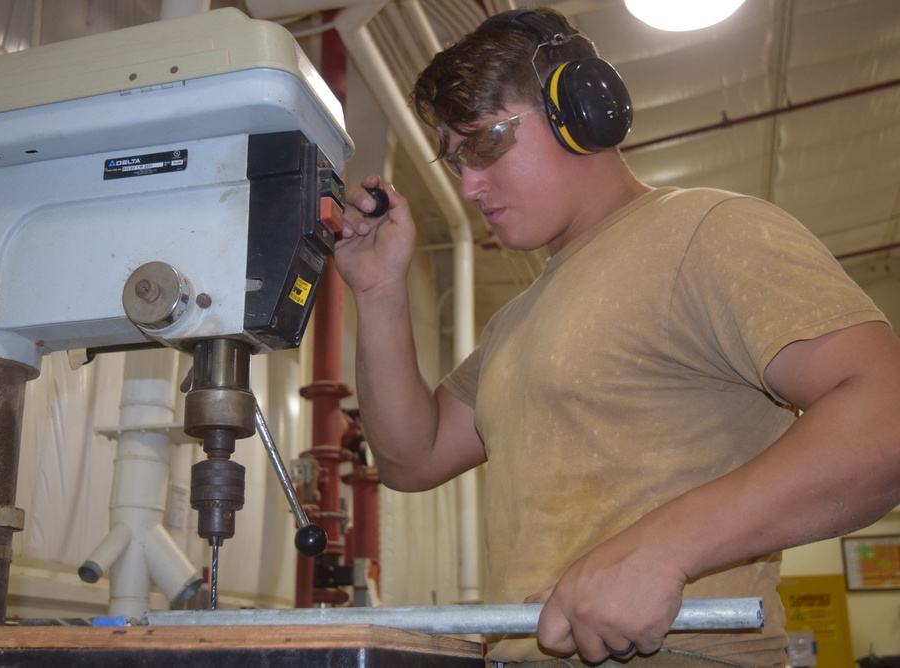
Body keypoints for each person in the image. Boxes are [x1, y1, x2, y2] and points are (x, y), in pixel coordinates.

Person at [333, 6, 900, 667]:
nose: (469, 185)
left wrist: (665, 546)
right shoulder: (514, 322)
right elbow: (411, 456)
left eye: (486, 145)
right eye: (455, 160)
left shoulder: (707, 230)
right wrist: (378, 291)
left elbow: (885, 415)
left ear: (582, 111)